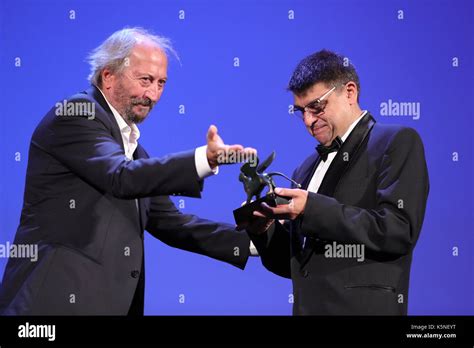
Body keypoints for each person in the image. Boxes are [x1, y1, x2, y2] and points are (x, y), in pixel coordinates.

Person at [0, 27, 257, 315]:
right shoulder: (76, 114)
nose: (153, 94)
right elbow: (120, 177)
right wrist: (203, 160)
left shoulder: (134, 152)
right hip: (50, 306)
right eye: (145, 80)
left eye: (161, 83)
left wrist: (253, 242)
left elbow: (171, 223)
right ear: (108, 76)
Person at [247, 50, 429, 315]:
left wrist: (311, 208)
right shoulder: (307, 167)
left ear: (350, 92)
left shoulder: (397, 142)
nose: (308, 121)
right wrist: (264, 230)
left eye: (317, 106)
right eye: (301, 111)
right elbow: (295, 266)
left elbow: (398, 231)